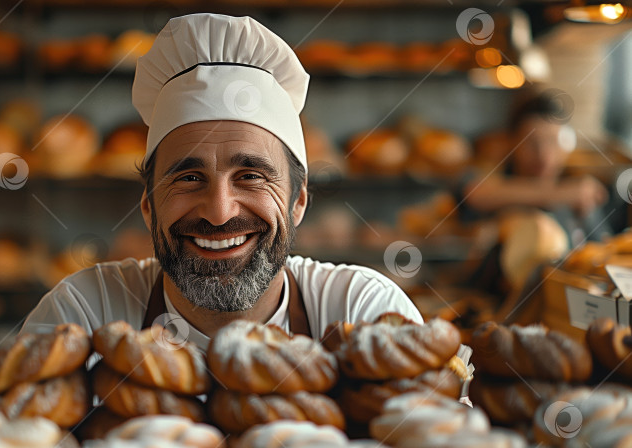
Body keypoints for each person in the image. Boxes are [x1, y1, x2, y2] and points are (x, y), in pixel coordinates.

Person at [21, 13, 422, 348]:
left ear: (297, 200)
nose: (218, 212)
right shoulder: (84, 314)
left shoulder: (363, 312)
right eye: (189, 177)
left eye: (250, 176)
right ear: (148, 205)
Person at [460, 92, 612, 293]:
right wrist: (562, 194)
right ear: (513, 143)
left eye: (552, 141)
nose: (543, 155)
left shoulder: (577, 194)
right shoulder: (496, 184)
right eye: (532, 143)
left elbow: (605, 255)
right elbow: (476, 193)